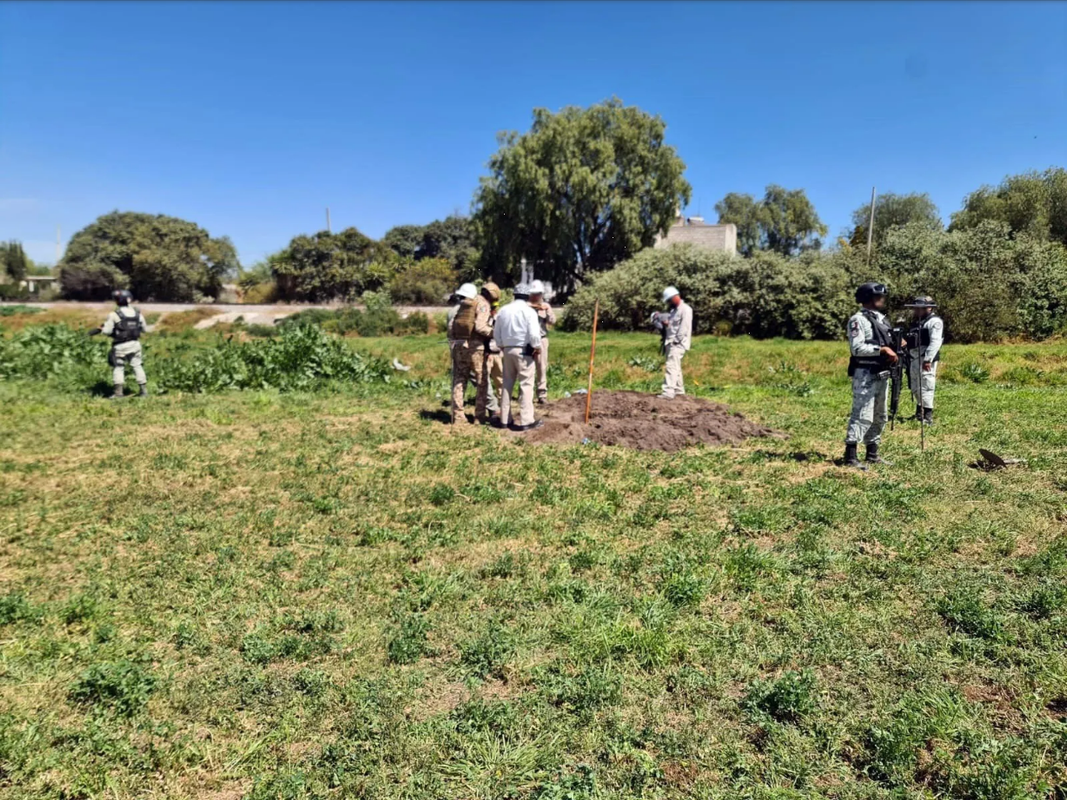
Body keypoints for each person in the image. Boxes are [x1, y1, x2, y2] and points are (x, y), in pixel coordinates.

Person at [844, 282, 899, 469]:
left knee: (880, 414)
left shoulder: (882, 319)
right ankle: (850, 455)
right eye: (878, 296)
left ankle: (872, 453)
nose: (882, 299)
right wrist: (881, 349)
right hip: (865, 373)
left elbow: (887, 340)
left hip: (882, 372)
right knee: (862, 413)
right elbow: (857, 348)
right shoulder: (857, 320)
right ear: (867, 298)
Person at [493, 283, 543, 431]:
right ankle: (526, 420)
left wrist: (501, 345)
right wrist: (537, 347)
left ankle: (504, 420)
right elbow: (534, 334)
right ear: (527, 296)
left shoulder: (503, 310)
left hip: (507, 350)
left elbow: (496, 332)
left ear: (514, 295)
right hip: (524, 350)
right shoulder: (529, 312)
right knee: (526, 384)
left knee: (507, 384)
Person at [89, 289, 149, 399]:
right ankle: (143, 391)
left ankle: (118, 393)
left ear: (117, 301)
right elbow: (145, 329)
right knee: (137, 366)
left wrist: (101, 329)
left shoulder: (114, 315)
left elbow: (107, 331)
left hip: (120, 346)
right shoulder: (138, 314)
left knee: (119, 367)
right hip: (135, 344)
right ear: (129, 300)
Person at [449, 282, 493, 424]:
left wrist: (454, 343)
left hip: (459, 347)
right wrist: (495, 333)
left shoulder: (460, 306)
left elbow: (450, 327)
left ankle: (458, 416)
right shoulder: (481, 304)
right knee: (482, 382)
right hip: (476, 349)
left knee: (459, 381)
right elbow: (480, 327)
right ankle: (479, 416)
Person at [904, 296, 943, 425]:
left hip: (925, 358)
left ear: (929, 308)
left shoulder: (934, 322)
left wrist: (928, 359)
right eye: (916, 308)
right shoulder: (916, 322)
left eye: (920, 308)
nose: (917, 310)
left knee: (926, 385)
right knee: (915, 386)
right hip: (913, 358)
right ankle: (919, 411)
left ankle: (927, 415)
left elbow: (935, 342)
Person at [656, 286, 692, 400]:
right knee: (676, 367)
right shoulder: (674, 311)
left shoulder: (685, 309)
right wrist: (666, 324)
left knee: (671, 367)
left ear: (674, 297)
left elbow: (684, 328)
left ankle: (668, 392)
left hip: (677, 343)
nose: (668, 303)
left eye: (669, 300)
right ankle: (679, 390)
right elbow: (674, 326)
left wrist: (676, 341)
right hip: (670, 342)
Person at [475, 282, 504, 424]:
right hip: (485, 353)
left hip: (496, 352)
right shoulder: (482, 309)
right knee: (484, 382)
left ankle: (502, 406)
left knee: (500, 380)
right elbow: (481, 329)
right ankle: (491, 410)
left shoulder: (498, 317)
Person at [527, 280, 556, 404]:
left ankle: (542, 393)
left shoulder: (545, 306)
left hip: (541, 338)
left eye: (538, 294)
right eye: (534, 294)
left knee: (541, 367)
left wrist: (547, 311)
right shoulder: (525, 305)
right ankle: (526, 394)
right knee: (527, 367)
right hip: (527, 340)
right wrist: (533, 307)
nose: (536, 296)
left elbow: (552, 321)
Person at [446, 283, 478, 351]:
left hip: (455, 345)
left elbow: (450, 331)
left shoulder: (452, 311)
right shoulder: (472, 310)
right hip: (470, 347)